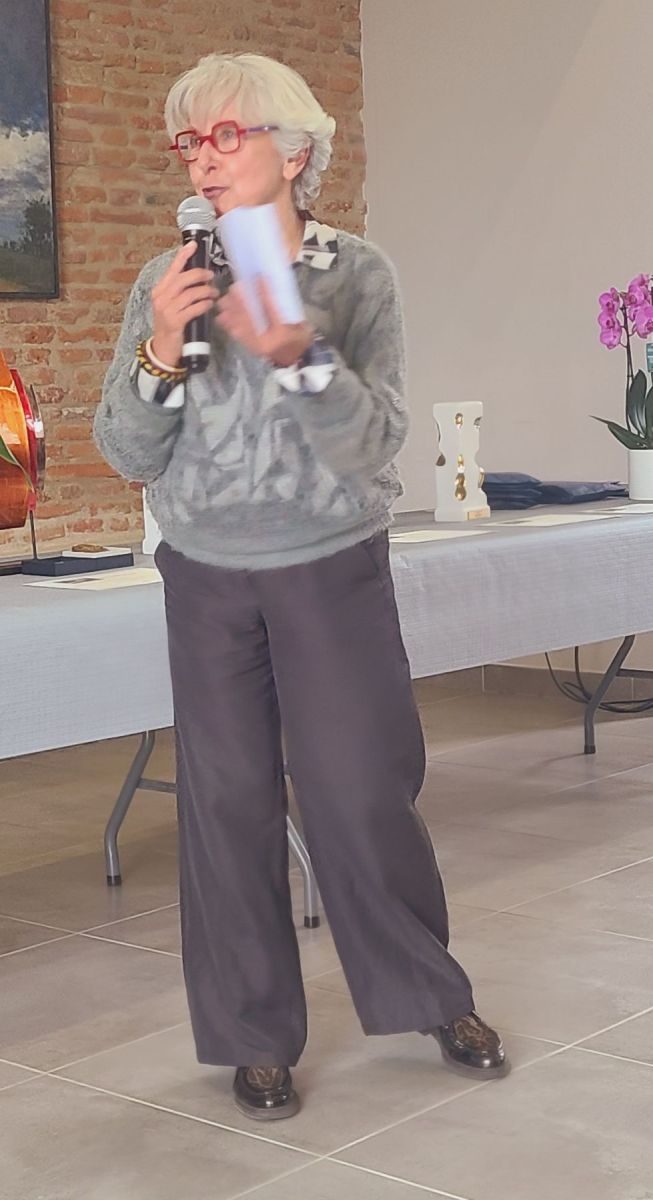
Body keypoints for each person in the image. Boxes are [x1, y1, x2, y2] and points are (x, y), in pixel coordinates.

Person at [94, 51, 508, 1122]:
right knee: (226, 806)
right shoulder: (165, 280)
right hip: (205, 577)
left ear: (292, 151)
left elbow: (373, 441)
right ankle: (251, 1036)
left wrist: (296, 353)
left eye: (225, 134)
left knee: (359, 790)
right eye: (190, 139)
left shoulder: (354, 273)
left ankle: (426, 995)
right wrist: (159, 352)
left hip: (328, 565)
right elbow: (126, 450)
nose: (203, 156)